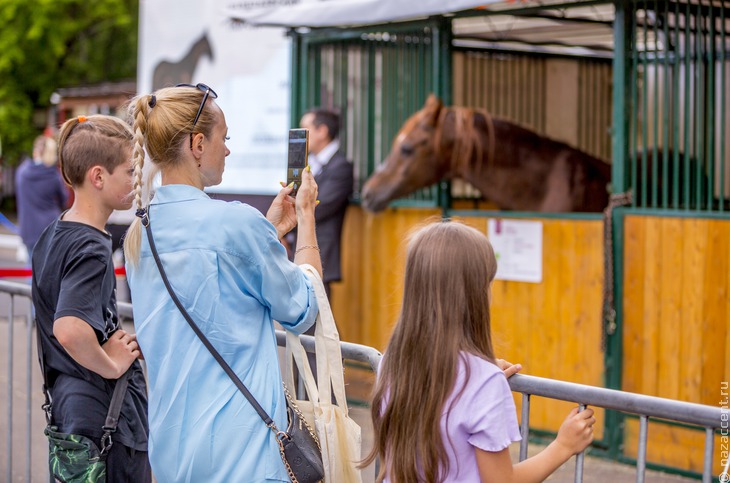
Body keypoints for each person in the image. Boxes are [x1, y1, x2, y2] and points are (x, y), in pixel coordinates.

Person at [123, 83, 322, 482]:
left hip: (172, 450)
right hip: (243, 452)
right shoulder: (235, 224)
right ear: (197, 144)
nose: (227, 150)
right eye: (223, 138)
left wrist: (268, 233)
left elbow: (213, 289)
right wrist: (306, 219)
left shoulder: (140, 233)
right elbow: (303, 309)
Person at [364, 220, 596, 482]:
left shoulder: (392, 363)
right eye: (487, 284)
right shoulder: (486, 383)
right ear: (473, 295)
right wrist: (563, 446)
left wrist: (474, 370)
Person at [32, 115, 150, 482]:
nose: (137, 180)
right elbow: (69, 328)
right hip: (101, 417)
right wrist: (111, 364)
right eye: (130, 171)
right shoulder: (91, 248)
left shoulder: (57, 230)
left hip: (72, 409)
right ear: (98, 177)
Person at [293, 107, 353, 300]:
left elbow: (319, 207)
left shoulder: (340, 166)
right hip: (302, 250)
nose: (301, 134)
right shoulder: (308, 164)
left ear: (322, 131)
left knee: (319, 322)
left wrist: (290, 213)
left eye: (305, 128)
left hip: (321, 254)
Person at [15, 134, 69, 258]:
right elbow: (64, 200)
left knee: (32, 271)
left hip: (28, 228)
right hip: (50, 229)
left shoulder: (22, 172)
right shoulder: (53, 175)